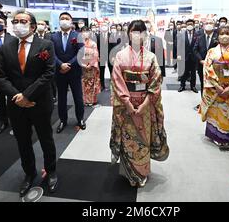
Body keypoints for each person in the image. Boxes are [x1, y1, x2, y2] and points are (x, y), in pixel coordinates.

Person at [0, 10, 58, 196]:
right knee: (23, 141)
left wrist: (27, 95)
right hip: (15, 104)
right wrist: (17, 96)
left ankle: (51, 170)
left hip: (39, 101)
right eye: (15, 21)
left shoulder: (45, 45)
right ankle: (29, 173)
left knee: (46, 138)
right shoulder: (7, 46)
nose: (18, 24)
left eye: (23, 21)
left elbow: (48, 73)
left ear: (32, 26)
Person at [110, 20, 169, 187]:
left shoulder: (151, 57)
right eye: (134, 31)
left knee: (143, 137)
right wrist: (127, 103)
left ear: (145, 35)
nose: (137, 35)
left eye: (141, 32)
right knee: (128, 137)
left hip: (146, 102)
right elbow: (117, 81)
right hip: (126, 102)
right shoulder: (120, 56)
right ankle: (130, 172)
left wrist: (146, 103)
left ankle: (142, 172)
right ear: (128, 33)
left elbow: (156, 81)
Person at [199, 26, 229, 151]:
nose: (224, 36)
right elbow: (207, 68)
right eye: (222, 33)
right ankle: (212, 134)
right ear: (218, 36)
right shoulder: (212, 51)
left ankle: (224, 138)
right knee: (214, 111)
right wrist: (216, 85)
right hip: (215, 87)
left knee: (225, 112)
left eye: (227, 33)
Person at [52, 12, 86, 133]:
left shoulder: (77, 35)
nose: (64, 20)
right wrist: (60, 64)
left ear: (71, 21)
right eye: (62, 18)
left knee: (78, 97)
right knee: (61, 98)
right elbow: (52, 54)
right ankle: (62, 120)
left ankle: (80, 119)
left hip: (74, 71)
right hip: (59, 72)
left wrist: (69, 65)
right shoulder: (53, 36)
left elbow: (81, 52)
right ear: (59, 21)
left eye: (67, 18)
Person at [194, 18, 218, 97]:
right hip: (202, 65)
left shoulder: (218, 36)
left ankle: (213, 103)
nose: (208, 24)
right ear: (203, 25)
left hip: (214, 65)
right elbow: (195, 49)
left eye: (210, 23)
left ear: (214, 25)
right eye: (206, 23)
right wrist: (201, 60)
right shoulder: (199, 36)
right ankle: (203, 101)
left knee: (214, 84)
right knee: (203, 83)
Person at [80, 27, 101, 106]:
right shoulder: (79, 43)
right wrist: (83, 64)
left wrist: (90, 64)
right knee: (83, 83)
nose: (85, 33)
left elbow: (95, 55)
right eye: (83, 31)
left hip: (91, 66)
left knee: (91, 83)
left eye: (87, 31)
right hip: (82, 65)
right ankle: (84, 100)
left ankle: (92, 100)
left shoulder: (93, 43)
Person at [178, 19, 198, 93]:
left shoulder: (197, 34)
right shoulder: (182, 34)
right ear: (186, 25)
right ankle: (182, 86)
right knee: (183, 72)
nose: (190, 25)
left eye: (191, 24)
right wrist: (179, 55)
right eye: (188, 24)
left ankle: (193, 86)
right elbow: (179, 45)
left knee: (193, 73)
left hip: (193, 57)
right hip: (184, 56)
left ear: (193, 25)